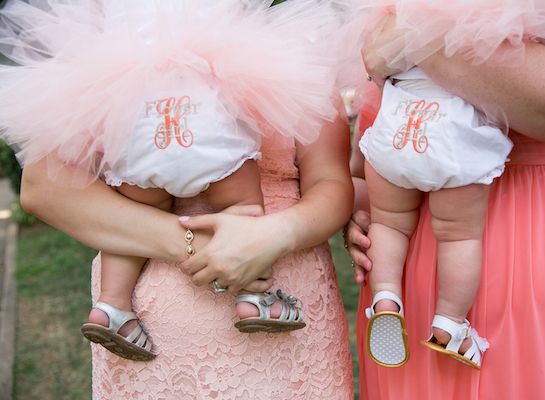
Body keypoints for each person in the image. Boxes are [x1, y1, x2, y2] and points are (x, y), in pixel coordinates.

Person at [0, 0, 340, 361]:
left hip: (140, 124)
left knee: (132, 204)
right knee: (242, 205)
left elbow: (333, 182)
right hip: (210, 125)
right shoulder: (268, 48)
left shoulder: (105, 45)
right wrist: (205, 249)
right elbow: (41, 188)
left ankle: (112, 304)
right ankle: (254, 297)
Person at [345, 19, 545, 400]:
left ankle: (387, 299)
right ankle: (450, 322)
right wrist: (357, 211)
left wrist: (412, 38)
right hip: (434, 247)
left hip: (540, 238)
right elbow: (358, 160)